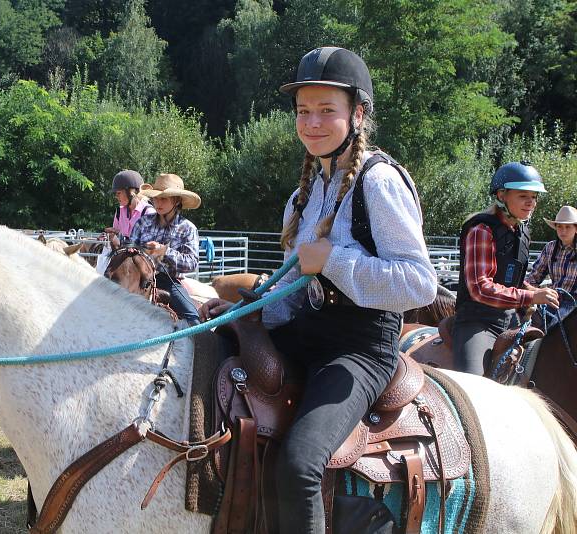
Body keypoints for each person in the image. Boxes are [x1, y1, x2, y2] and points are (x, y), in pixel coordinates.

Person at [200, 47, 437, 533]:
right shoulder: (303, 194)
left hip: (361, 350)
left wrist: (335, 260)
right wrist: (247, 312)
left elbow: (418, 282)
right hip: (308, 332)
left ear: (359, 113)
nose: (312, 122)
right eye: (303, 111)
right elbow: (290, 285)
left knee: (300, 461)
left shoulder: (380, 182)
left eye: (327, 110)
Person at [451, 162, 559, 375]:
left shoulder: (520, 230)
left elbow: (513, 283)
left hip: (510, 320)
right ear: (502, 196)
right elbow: (480, 288)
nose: (531, 203)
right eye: (523, 196)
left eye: (534, 197)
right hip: (477, 323)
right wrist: (530, 297)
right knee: (474, 386)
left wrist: (535, 292)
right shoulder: (481, 230)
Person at [129, 173, 202, 325]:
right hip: (137, 278)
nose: (158, 202)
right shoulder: (143, 222)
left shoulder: (187, 228)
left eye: (164, 198)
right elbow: (130, 248)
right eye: (156, 198)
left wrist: (165, 251)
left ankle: (200, 346)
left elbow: (192, 262)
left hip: (168, 280)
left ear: (176, 201)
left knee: (193, 318)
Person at [526, 205, 577, 329]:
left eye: (568, 227)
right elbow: (534, 277)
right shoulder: (550, 248)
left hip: (574, 305)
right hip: (552, 300)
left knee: (556, 330)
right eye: (559, 226)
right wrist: (524, 293)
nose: (563, 231)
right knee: (526, 324)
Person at [104, 170, 155, 247]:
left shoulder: (149, 212)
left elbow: (148, 245)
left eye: (119, 193)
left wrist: (121, 237)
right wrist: (110, 236)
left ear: (131, 192)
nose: (116, 196)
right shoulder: (119, 211)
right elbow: (116, 244)